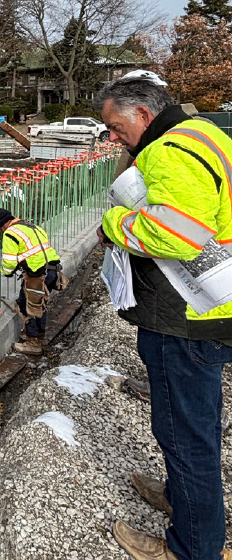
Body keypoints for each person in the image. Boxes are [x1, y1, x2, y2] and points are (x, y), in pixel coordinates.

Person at [95, 70, 232, 560]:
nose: (114, 138)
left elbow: (175, 235)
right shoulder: (204, 133)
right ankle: (181, 499)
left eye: (116, 127)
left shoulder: (171, 152)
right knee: (194, 422)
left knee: (184, 433)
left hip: (189, 316)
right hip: (208, 308)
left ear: (144, 115)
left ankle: (193, 548)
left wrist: (113, 223)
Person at [0, 207, 61, 356]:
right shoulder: (31, 226)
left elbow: (9, 262)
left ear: (3, 225)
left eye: (0, 229)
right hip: (53, 270)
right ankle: (39, 334)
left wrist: (6, 272)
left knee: (26, 305)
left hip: (37, 275)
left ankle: (33, 342)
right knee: (40, 304)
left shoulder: (10, 233)